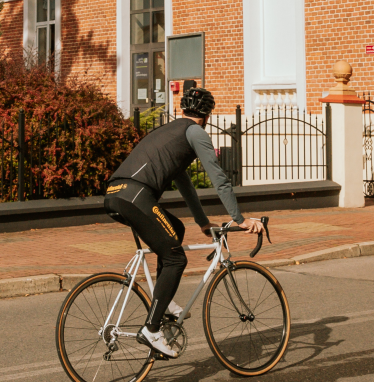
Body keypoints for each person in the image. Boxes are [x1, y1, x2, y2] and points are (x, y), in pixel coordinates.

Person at [103, 84, 264, 358]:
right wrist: (239, 218)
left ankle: (162, 303)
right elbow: (219, 178)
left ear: (183, 109)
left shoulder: (171, 132)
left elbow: (184, 183)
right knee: (177, 258)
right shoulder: (195, 132)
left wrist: (202, 222)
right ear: (208, 115)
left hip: (114, 195)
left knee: (174, 230)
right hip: (136, 196)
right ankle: (151, 330)